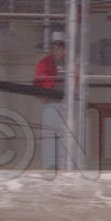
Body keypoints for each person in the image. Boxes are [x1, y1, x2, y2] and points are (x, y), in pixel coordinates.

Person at [34, 33, 67, 170]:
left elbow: (76, 81)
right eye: (54, 47)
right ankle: (50, 167)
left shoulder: (69, 62)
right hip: (51, 104)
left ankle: (63, 167)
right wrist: (44, 97)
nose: (56, 50)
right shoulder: (45, 63)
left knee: (64, 137)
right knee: (50, 135)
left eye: (59, 47)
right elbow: (37, 84)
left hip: (67, 105)